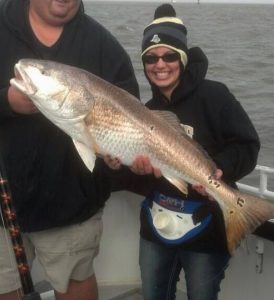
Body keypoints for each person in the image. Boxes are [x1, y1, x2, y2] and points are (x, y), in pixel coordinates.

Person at [0, 1, 139, 300]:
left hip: (71, 205)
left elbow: (129, 118)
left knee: (75, 284)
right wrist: (5, 101)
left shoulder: (103, 45)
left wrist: (115, 155)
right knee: (1, 290)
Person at [108, 3, 260, 300]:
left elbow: (247, 145)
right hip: (157, 224)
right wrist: (129, 169)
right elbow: (146, 178)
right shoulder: (145, 112)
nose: (159, 64)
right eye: (150, 57)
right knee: (153, 294)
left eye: (169, 55)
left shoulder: (215, 96)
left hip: (208, 226)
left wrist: (219, 169)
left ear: (183, 58)